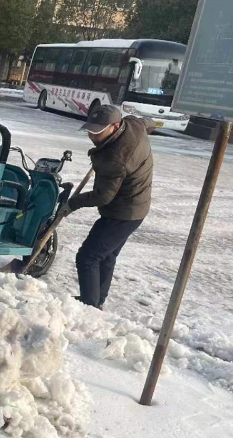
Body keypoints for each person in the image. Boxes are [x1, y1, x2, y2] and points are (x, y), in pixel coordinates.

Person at [60, 105, 154, 310]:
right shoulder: (134, 124)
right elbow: (149, 122)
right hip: (136, 206)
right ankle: (97, 301)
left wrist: (72, 204)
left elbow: (103, 196)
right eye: (90, 130)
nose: (93, 136)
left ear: (115, 126)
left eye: (98, 131)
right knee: (107, 255)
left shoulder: (116, 158)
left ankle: (89, 305)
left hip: (123, 212)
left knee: (88, 256)